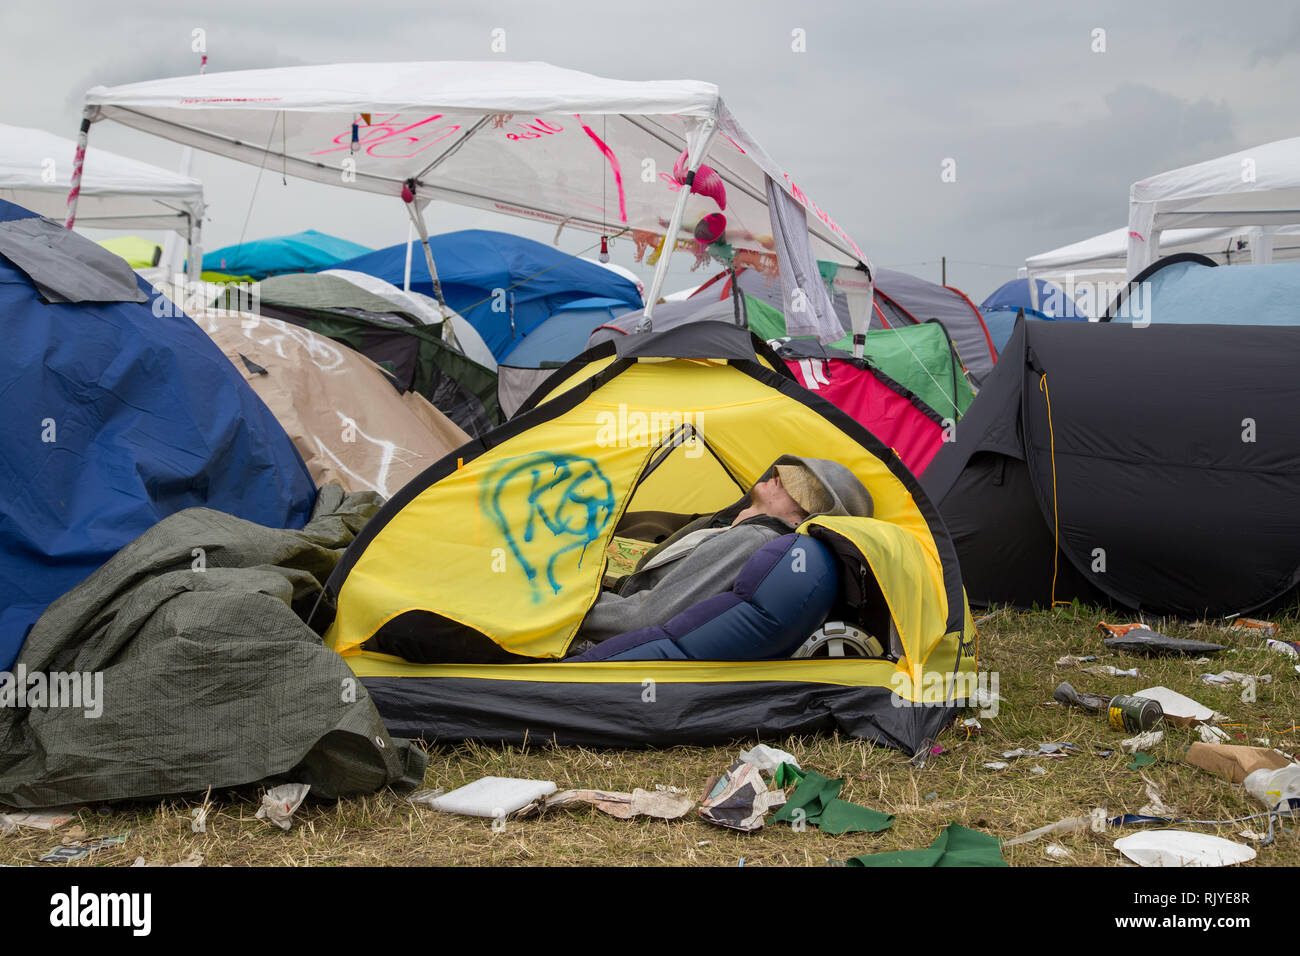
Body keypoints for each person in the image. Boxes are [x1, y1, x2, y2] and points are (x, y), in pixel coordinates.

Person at [570, 455, 873, 653]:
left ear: (799, 521)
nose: (781, 475)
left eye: (803, 489)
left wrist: (560, 607)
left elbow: (642, 617)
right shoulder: (731, 528)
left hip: (591, 634)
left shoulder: (754, 539)